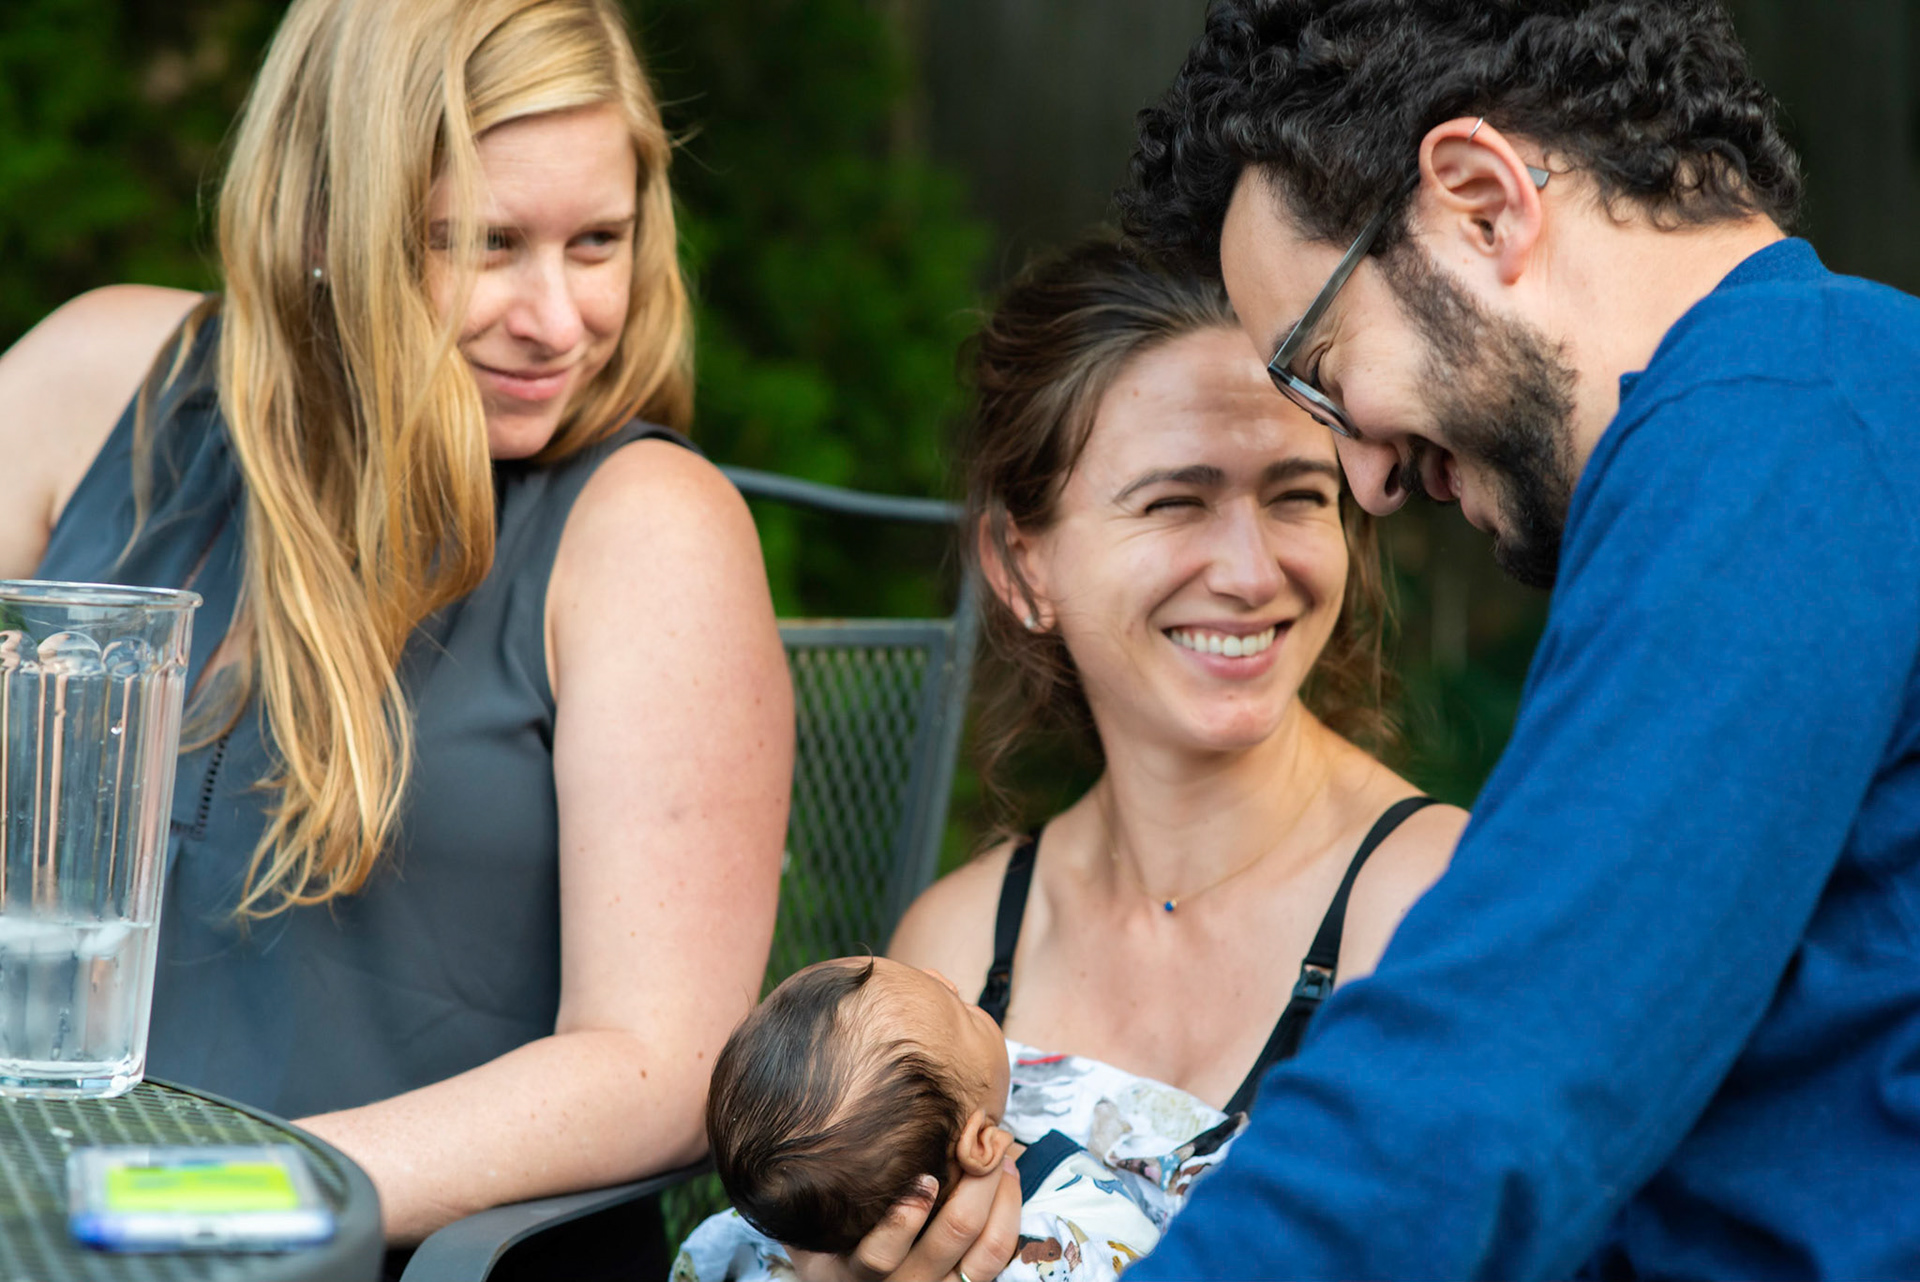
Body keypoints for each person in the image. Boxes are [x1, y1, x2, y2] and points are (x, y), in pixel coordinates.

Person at [1106, 0, 1920, 1277]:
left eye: (1322, 372)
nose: (1366, 481)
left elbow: (1499, 1071)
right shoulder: (1805, 410)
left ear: (1485, 204)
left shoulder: (1780, 426)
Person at [0, 0, 792, 1247]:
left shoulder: (647, 530)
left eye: (598, 241)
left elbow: (663, 1059)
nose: (557, 321)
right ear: (327, 221)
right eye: (482, 244)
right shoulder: (102, 385)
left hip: (387, 1252)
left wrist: (204, 1192)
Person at [795, 238, 1466, 1282]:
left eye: (1297, 495)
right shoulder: (964, 948)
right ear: (1020, 563)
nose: (1251, 573)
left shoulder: (1436, 905)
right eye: (1174, 502)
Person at [680, 956, 1168, 1280]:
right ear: (982, 1145)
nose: (943, 979)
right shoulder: (1078, 1237)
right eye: (962, 1009)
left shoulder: (735, 1248)